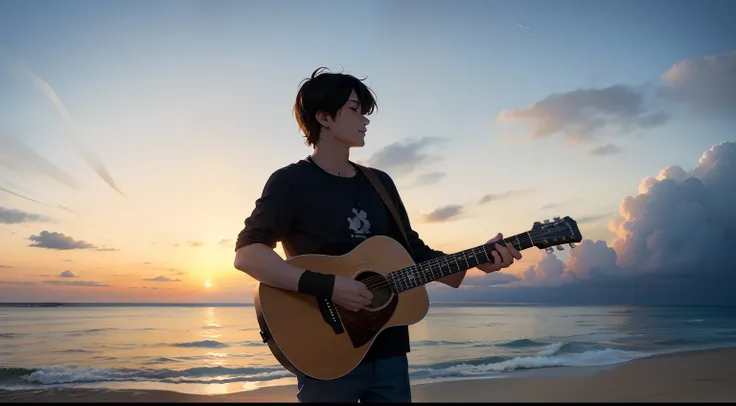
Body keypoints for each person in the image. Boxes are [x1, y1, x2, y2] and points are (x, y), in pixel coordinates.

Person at [233, 67, 522, 403]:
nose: (365, 120)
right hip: (326, 349)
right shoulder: (290, 182)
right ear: (323, 117)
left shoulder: (380, 183)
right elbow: (248, 254)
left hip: (388, 350)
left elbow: (412, 251)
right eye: (355, 109)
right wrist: (329, 286)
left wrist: (477, 261)